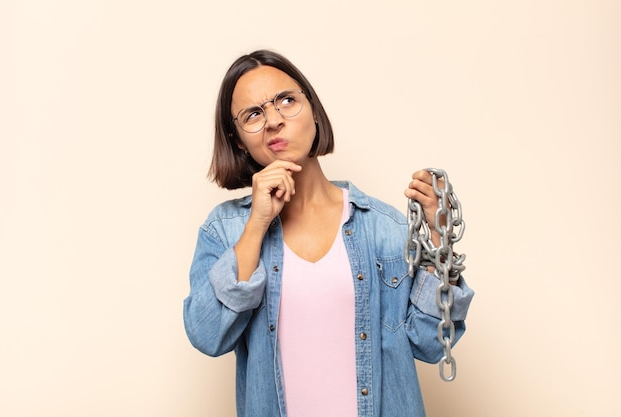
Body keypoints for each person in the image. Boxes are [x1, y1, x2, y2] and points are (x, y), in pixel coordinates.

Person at [183, 49, 474, 417]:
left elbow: (432, 345)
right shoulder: (225, 230)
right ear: (239, 139)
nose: (273, 121)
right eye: (253, 114)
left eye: (286, 101)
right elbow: (208, 336)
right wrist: (256, 224)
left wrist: (436, 241)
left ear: (314, 113)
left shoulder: (383, 229)